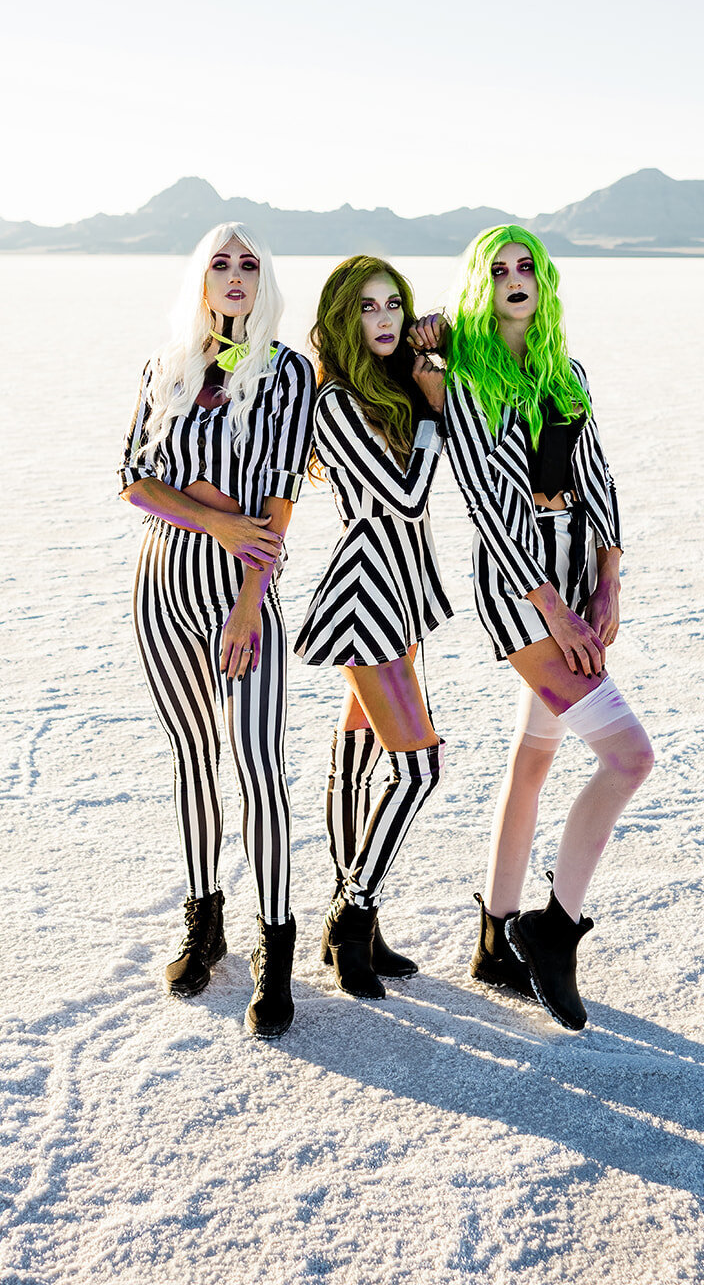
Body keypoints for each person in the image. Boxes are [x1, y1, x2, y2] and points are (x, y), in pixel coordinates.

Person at [411, 224, 654, 1031]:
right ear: (482, 286)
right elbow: (484, 500)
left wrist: (609, 577)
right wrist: (548, 603)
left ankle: (493, 938)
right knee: (626, 756)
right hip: (522, 593)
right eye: (499, 270)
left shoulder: (564, 371)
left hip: (579, 579)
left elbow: (597, 474)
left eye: (527, 268)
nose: (515, 279)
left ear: (542, 281)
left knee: (532, 758)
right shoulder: (464, 380)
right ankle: (552, 932)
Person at [118, 224, 315, 1038]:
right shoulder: (165, 367)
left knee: (258, 766)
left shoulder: (285, 373)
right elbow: (133, 478)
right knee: (192, 758)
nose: (234, 275)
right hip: (161, 587)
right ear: (199, 279)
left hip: (240, 596)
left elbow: (272, 507)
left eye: (248, 264)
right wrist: (208, 517)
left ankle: (276, 945)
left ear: (263, 280)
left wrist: (246, 596)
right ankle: (204, 923)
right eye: (219, 264)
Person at [295, 257, 450, 999]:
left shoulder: (386, 388)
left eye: (394, 305)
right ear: (340, 318)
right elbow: (408, 496)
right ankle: (349, 914)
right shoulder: (334, 401)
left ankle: (357, 913)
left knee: (360, 743)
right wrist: (432, 408)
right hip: (366, 589)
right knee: (418, 766)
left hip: (403, 584)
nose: (384, 318)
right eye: (367, 308)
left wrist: (433, 362)